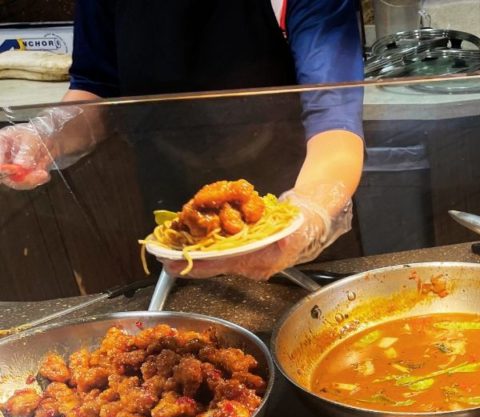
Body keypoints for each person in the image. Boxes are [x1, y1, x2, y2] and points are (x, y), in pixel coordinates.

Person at [0, 0, 365, 280]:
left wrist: (309, 216)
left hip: (296, 196)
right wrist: (44, 135)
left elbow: (335, 121)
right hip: (177, 216)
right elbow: (97, 91)